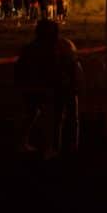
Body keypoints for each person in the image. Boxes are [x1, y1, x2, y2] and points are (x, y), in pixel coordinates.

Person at [15, 19, 82, 158]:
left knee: (34, 115)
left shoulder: (31, 48)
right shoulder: (62, 46)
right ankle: (57, 147)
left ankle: (28, 143)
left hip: (37, 87)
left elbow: (20, 69)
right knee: (57, 118)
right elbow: (72, 66)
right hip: (53, 88)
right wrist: (74, 83)